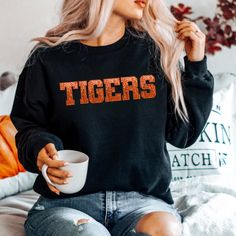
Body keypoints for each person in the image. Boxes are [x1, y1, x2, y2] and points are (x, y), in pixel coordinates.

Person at [10, 0, 214, 235]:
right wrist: (40, 150)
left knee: (165, 229)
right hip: (66, 206)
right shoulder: (47, 58)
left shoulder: (155, 53)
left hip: (144, 204)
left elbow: (183, 133)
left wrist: (196, 67)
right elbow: (28, 127)